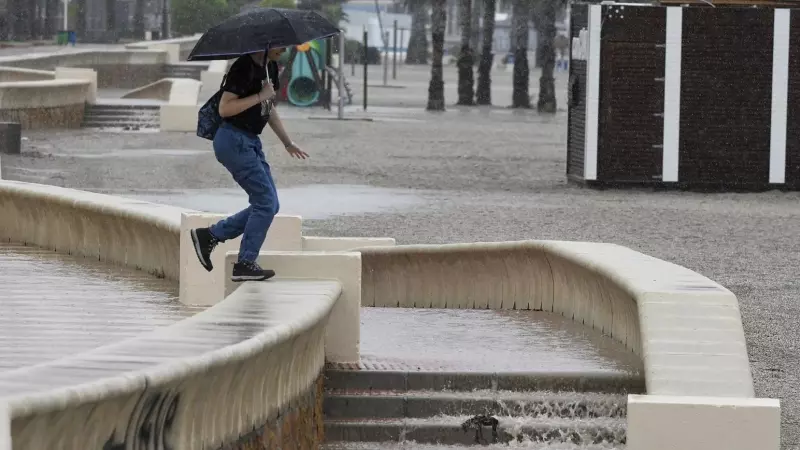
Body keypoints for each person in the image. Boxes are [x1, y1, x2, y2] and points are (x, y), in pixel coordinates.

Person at [190, 46, 309, 282]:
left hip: (249, 141)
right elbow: (225, 108)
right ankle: (245, 263)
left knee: (270, 205)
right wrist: (259, 95)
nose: (284, 49)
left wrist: (287, 142)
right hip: (232, 140)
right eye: (280, 45)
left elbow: (268, 108)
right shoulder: (243, 67)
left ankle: (211, 235)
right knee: (264, 203)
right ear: (266, 45)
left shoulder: (270, 67)